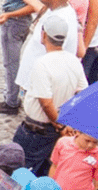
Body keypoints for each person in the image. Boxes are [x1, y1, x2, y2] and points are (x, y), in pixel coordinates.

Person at [12, 14, 87, 175]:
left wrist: (59, 125)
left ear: (44, 34)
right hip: (58, 129)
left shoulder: (42, 63)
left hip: (37, 130)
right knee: (48, 173)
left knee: (20, 173)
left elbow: (46, 102)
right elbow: (82, 94)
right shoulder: (73, 60)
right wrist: (68, 123)